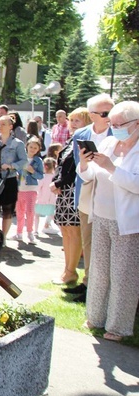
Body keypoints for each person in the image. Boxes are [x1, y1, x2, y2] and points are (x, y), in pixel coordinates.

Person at [78, 100, 139, 341]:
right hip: (100, 216)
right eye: (112, 124)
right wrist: (85, 162)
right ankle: (95, 317)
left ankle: (118, 327)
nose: (114, 128)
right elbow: (89, 175)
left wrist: (112, 167)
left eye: (119, 124)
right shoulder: (110, 143)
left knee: (123, 275)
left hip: (126, 223)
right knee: (99, 271)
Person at [67, 93, 113, 302]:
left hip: (111, 192)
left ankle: (101, 288)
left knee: (106, 243)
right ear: (92, 115)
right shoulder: (81, 134)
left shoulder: (119, 133)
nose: (109, 116)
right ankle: (87, 283)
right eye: (104, 113)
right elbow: (79, 165)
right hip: (87, 189)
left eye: (110, 112)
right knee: (88, 239)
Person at [50, 107, 89, 284]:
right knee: (65, 230)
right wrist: (56, 182)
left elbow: (74, 170)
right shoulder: (71, 140)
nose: (72, 124)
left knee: (73, 232)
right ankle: (67, 270)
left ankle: (71, 271)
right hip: (64, 192)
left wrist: (58, 183)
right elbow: (61, 166)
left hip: (74, 191)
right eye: (71, 120)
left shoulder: (84, 142)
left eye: (77, 121)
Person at [0, 115, 27, 243]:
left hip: (9, 179)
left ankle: (3, 237)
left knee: (7, 209)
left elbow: (24, 161)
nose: (0, 127)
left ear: (11, 126)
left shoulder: (17, 143)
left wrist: (11, 166)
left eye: (3, 124)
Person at [12, 137, 44, 243]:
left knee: (30, 211)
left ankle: (30, 232)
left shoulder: (38, 161)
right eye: (31, 147)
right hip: (19, 188)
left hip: (31, 189)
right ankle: (19, 233)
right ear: (27, 146)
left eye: (35, 148)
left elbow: (40, 176)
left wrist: (32, 171)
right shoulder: (21, 158)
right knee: (20, 211)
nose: (32, 149)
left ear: (38, 149)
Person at [34, 157, 58, 238]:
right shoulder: (55, 177)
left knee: (36, 215)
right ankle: (61, 230)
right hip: (51, 200)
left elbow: (38, 187)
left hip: (40, 199)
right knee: (53, 216)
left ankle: (35, 231)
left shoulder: (42, 177)